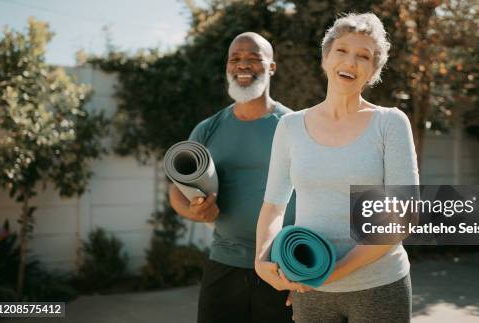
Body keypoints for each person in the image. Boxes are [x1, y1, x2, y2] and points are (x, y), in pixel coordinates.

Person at [255, 13, 419, 322]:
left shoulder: (390, 123)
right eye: (342, 50)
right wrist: (261, 260)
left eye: (364, 56)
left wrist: (330, 274)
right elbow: (274, 206)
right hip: (311, 291)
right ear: (326, 58)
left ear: (373, 71)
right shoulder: (289, 126)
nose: (351, 61)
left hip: (379, 288)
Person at [168, 32, 295, 323]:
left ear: (272, 67)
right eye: (235, 59)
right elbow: (176, 190)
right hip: (224, 262)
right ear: (227, 67)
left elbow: (317, 197)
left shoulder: (294, 126)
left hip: (281, 265)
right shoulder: (208, 129)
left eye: (253, 58)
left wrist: (304, 270)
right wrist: (193, 211)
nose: (242, 65)